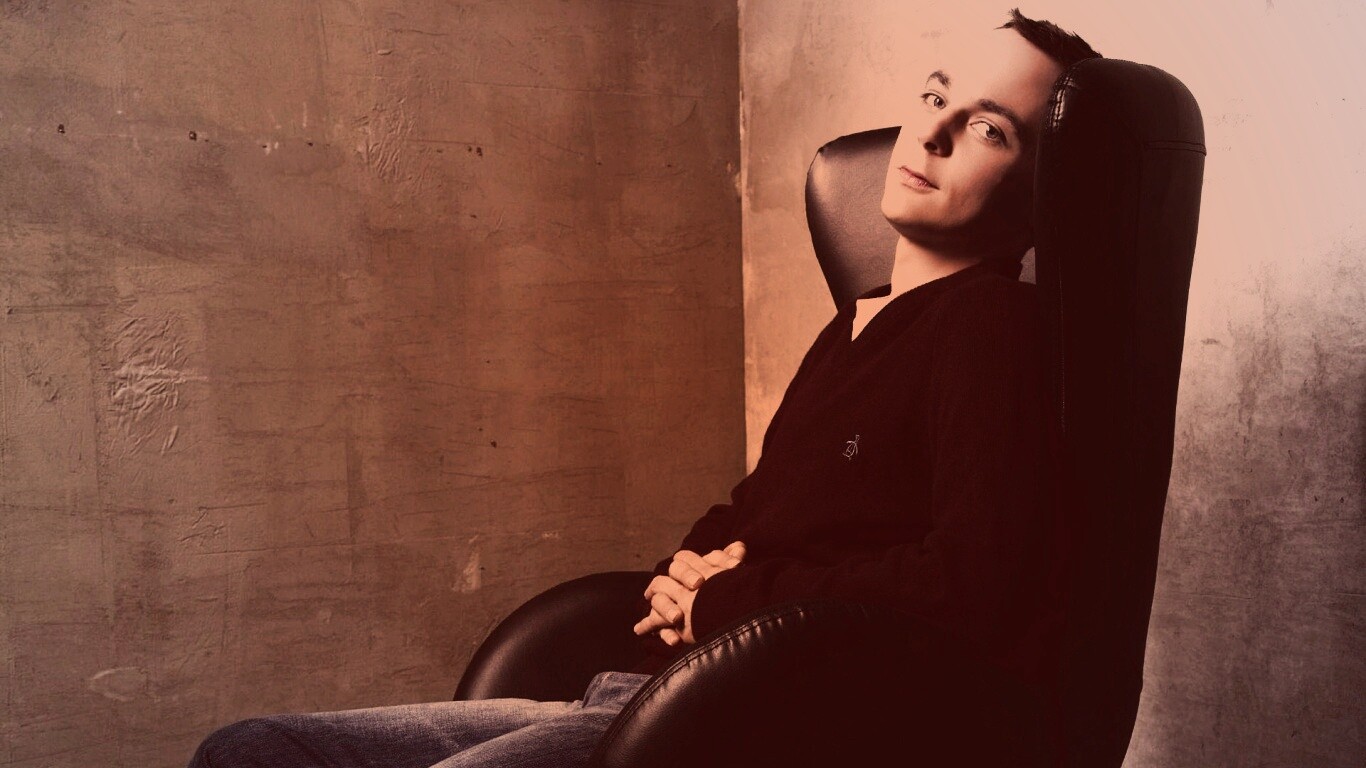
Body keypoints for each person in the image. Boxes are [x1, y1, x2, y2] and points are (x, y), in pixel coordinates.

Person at [186, 8, 1102, 768]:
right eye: (936, 97)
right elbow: (758, 513)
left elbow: (970, 583)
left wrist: (724, 602)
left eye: (988, 128)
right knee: (251, 750)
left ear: (1038, 191)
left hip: (755, 724)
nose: (933, 132)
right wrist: (684, 575)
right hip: (653, 689)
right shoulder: (854, 325)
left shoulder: (990, 328)